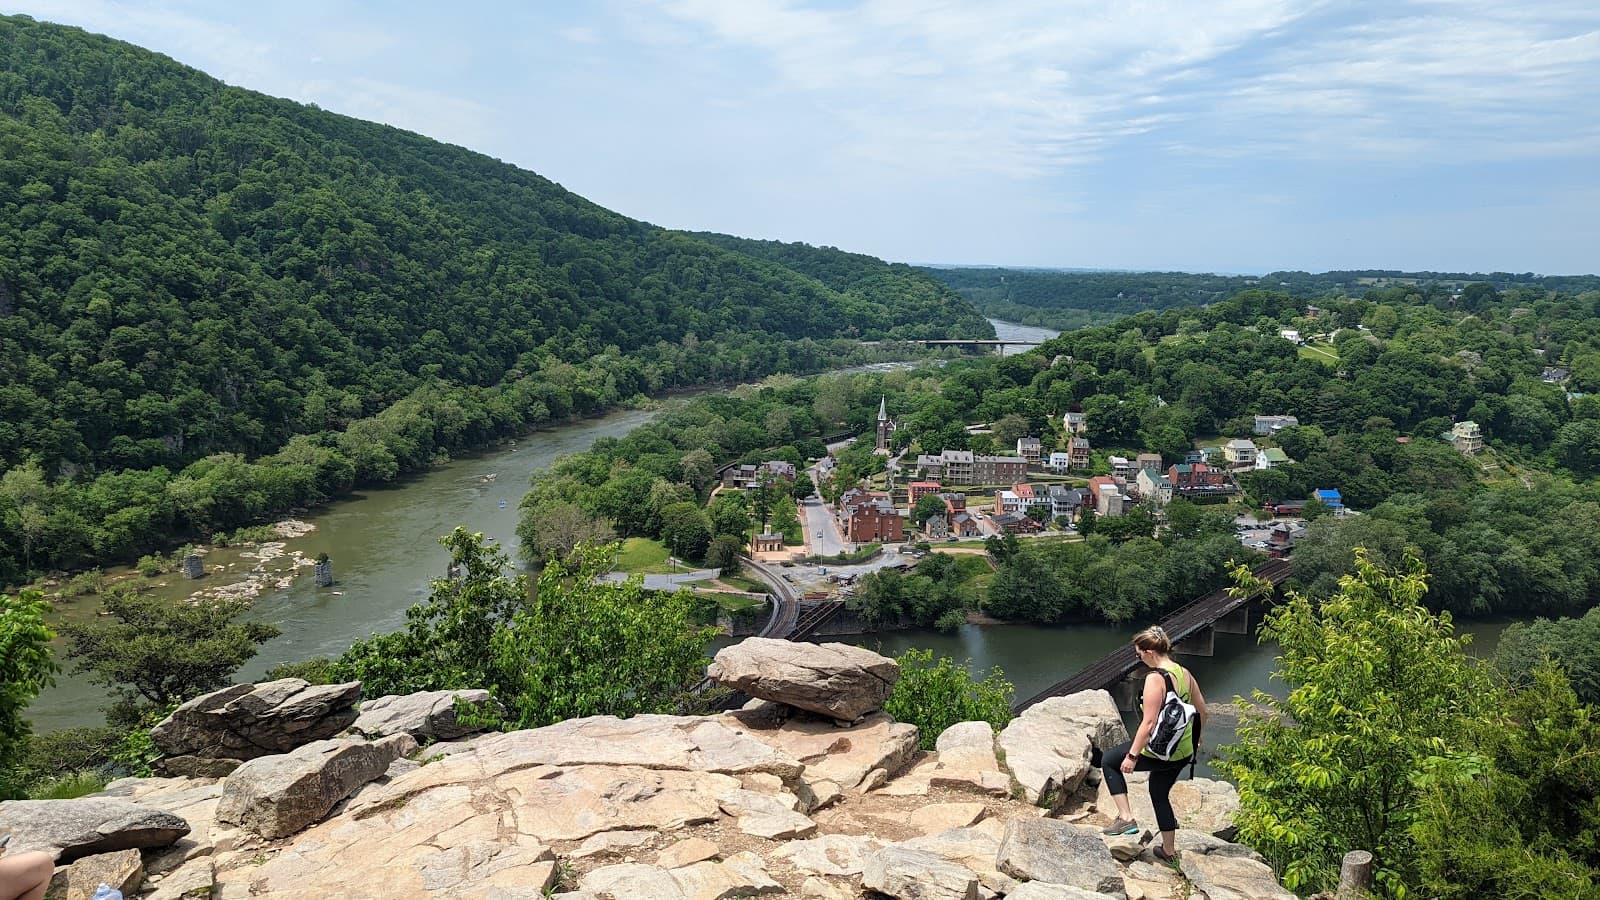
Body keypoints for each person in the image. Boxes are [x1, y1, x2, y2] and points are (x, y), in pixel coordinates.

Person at [1100, 625, 1208, 865]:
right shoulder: (1184, 674)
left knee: (1109, 761)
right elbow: (1202, 710)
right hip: (1182, 751)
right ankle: (1168, 851)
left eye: (1138, 653)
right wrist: (1197, 736)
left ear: (1149, 652)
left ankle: (1126, 818)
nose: (1138, 658)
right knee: (1159, 793)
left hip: (1160, 751)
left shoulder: (1155, 679)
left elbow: (1148, 723)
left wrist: (1132, 755)